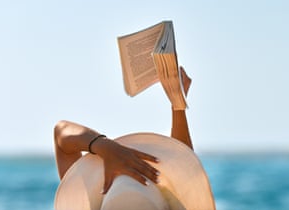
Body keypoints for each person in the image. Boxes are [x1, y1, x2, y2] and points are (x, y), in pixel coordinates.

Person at [53, 67, 193, 194]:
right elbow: (185, 163)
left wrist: (107, 147)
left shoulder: (85, 205)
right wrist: (177, 104)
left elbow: (61, 130)